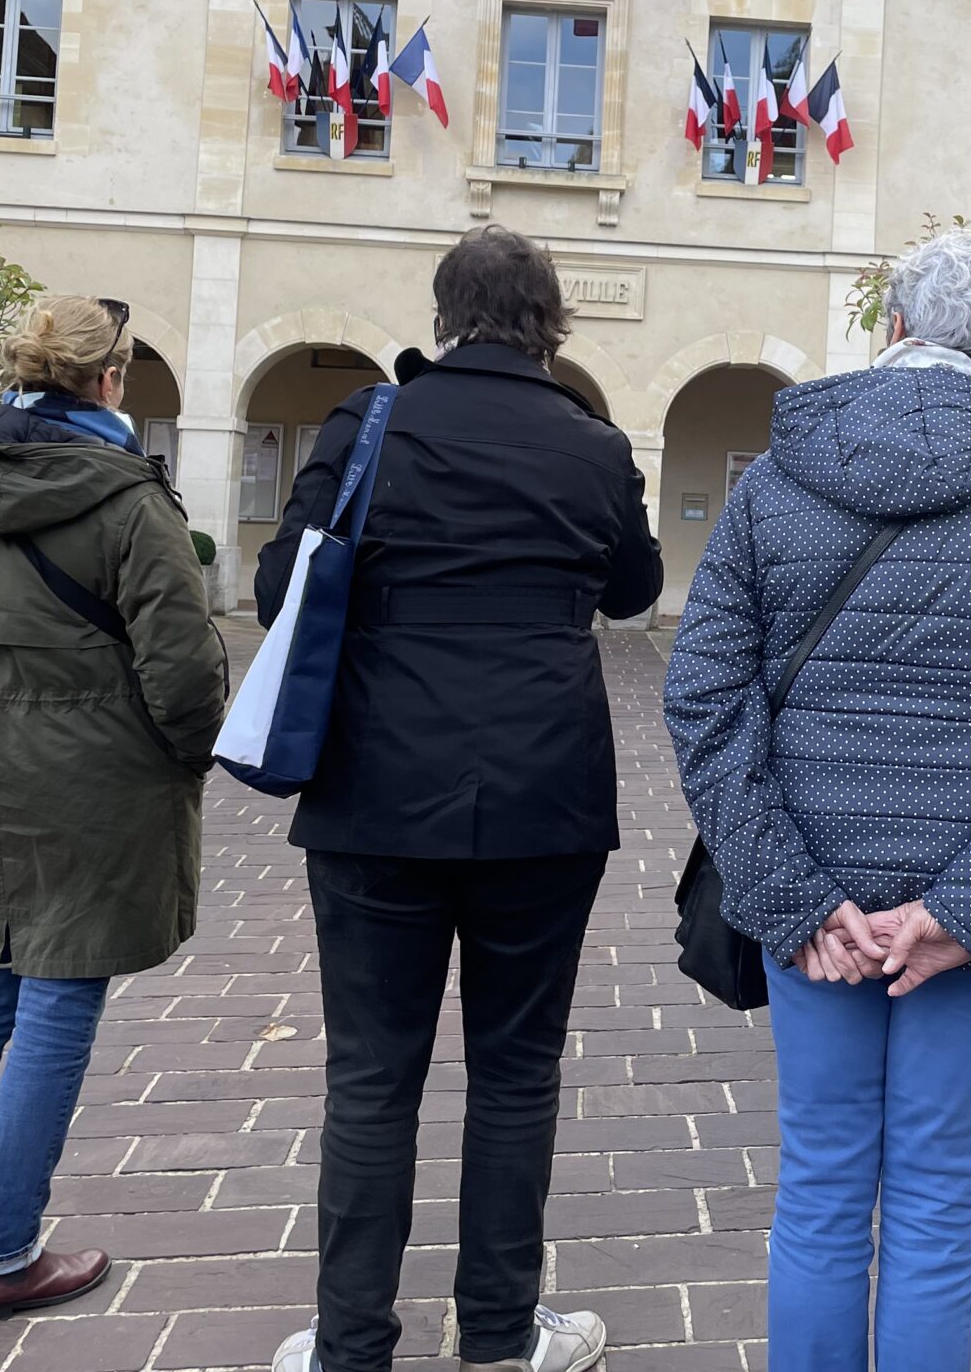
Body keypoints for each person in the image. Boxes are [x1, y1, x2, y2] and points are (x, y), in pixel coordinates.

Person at [663, 229, 971, 1372]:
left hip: (819, 917)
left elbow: (704, 701)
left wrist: (791, 898)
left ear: (892, 329)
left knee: (823, 1192)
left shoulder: (775, 488)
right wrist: (970, 911)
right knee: (937, 1211)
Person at [263, 227, 661, 1372]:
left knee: (372, 1073)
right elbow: (633, 593)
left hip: (376, 783)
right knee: (517, 1068)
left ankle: (350, 1345)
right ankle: (497, 1332)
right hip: (544, 787)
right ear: (551, 324)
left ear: (443, 313)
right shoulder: (591, 443)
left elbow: (280, 580)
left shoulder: (368, 423)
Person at [0, 295, 229, 1326]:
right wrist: (179, 759)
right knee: (59, 1000)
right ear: (109, 380)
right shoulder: (129, 496)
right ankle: (2, 1253)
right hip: (92, 778)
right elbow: (183, 668)